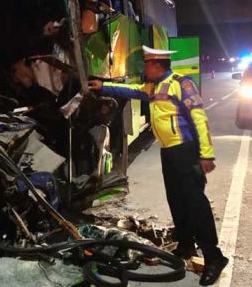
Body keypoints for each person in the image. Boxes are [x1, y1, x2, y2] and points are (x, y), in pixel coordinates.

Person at [88, 46, 228, 286]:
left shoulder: (181, 84)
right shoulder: (153, 87)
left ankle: (214, 257)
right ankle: (185, 247)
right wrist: (103, 86)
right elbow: (130, 90)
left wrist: (206, 154)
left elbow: (199, 117)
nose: (144, 69)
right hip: (168, 152)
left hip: (186, 151)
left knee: (195, 204)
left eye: (147, 64)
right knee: (176, 200)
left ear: (157, 65)